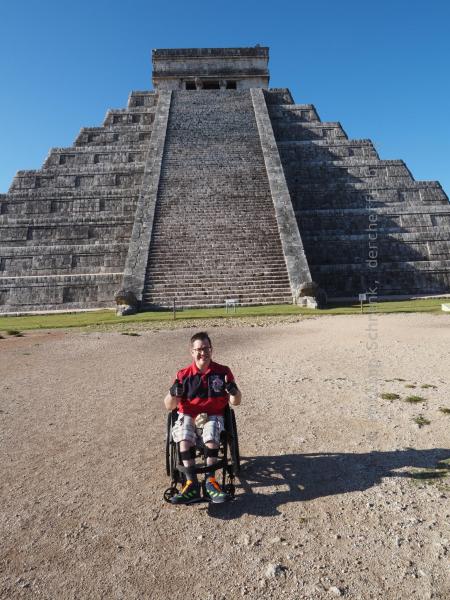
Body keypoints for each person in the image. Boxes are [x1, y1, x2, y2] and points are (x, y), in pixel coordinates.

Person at [164, 331, 241, 505]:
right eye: (198, 349)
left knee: (212, 434)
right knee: (184, 436)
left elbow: (236, 402)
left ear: (211, 349)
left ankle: (210, 482)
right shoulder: (183, 375)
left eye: (206, 348)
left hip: (213, 414)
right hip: (188, 414)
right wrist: (172, 393)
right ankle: (191, 483)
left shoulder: (223, 372)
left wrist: (234, 391)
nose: (203, 352)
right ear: (192, 352)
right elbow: (169, 406)